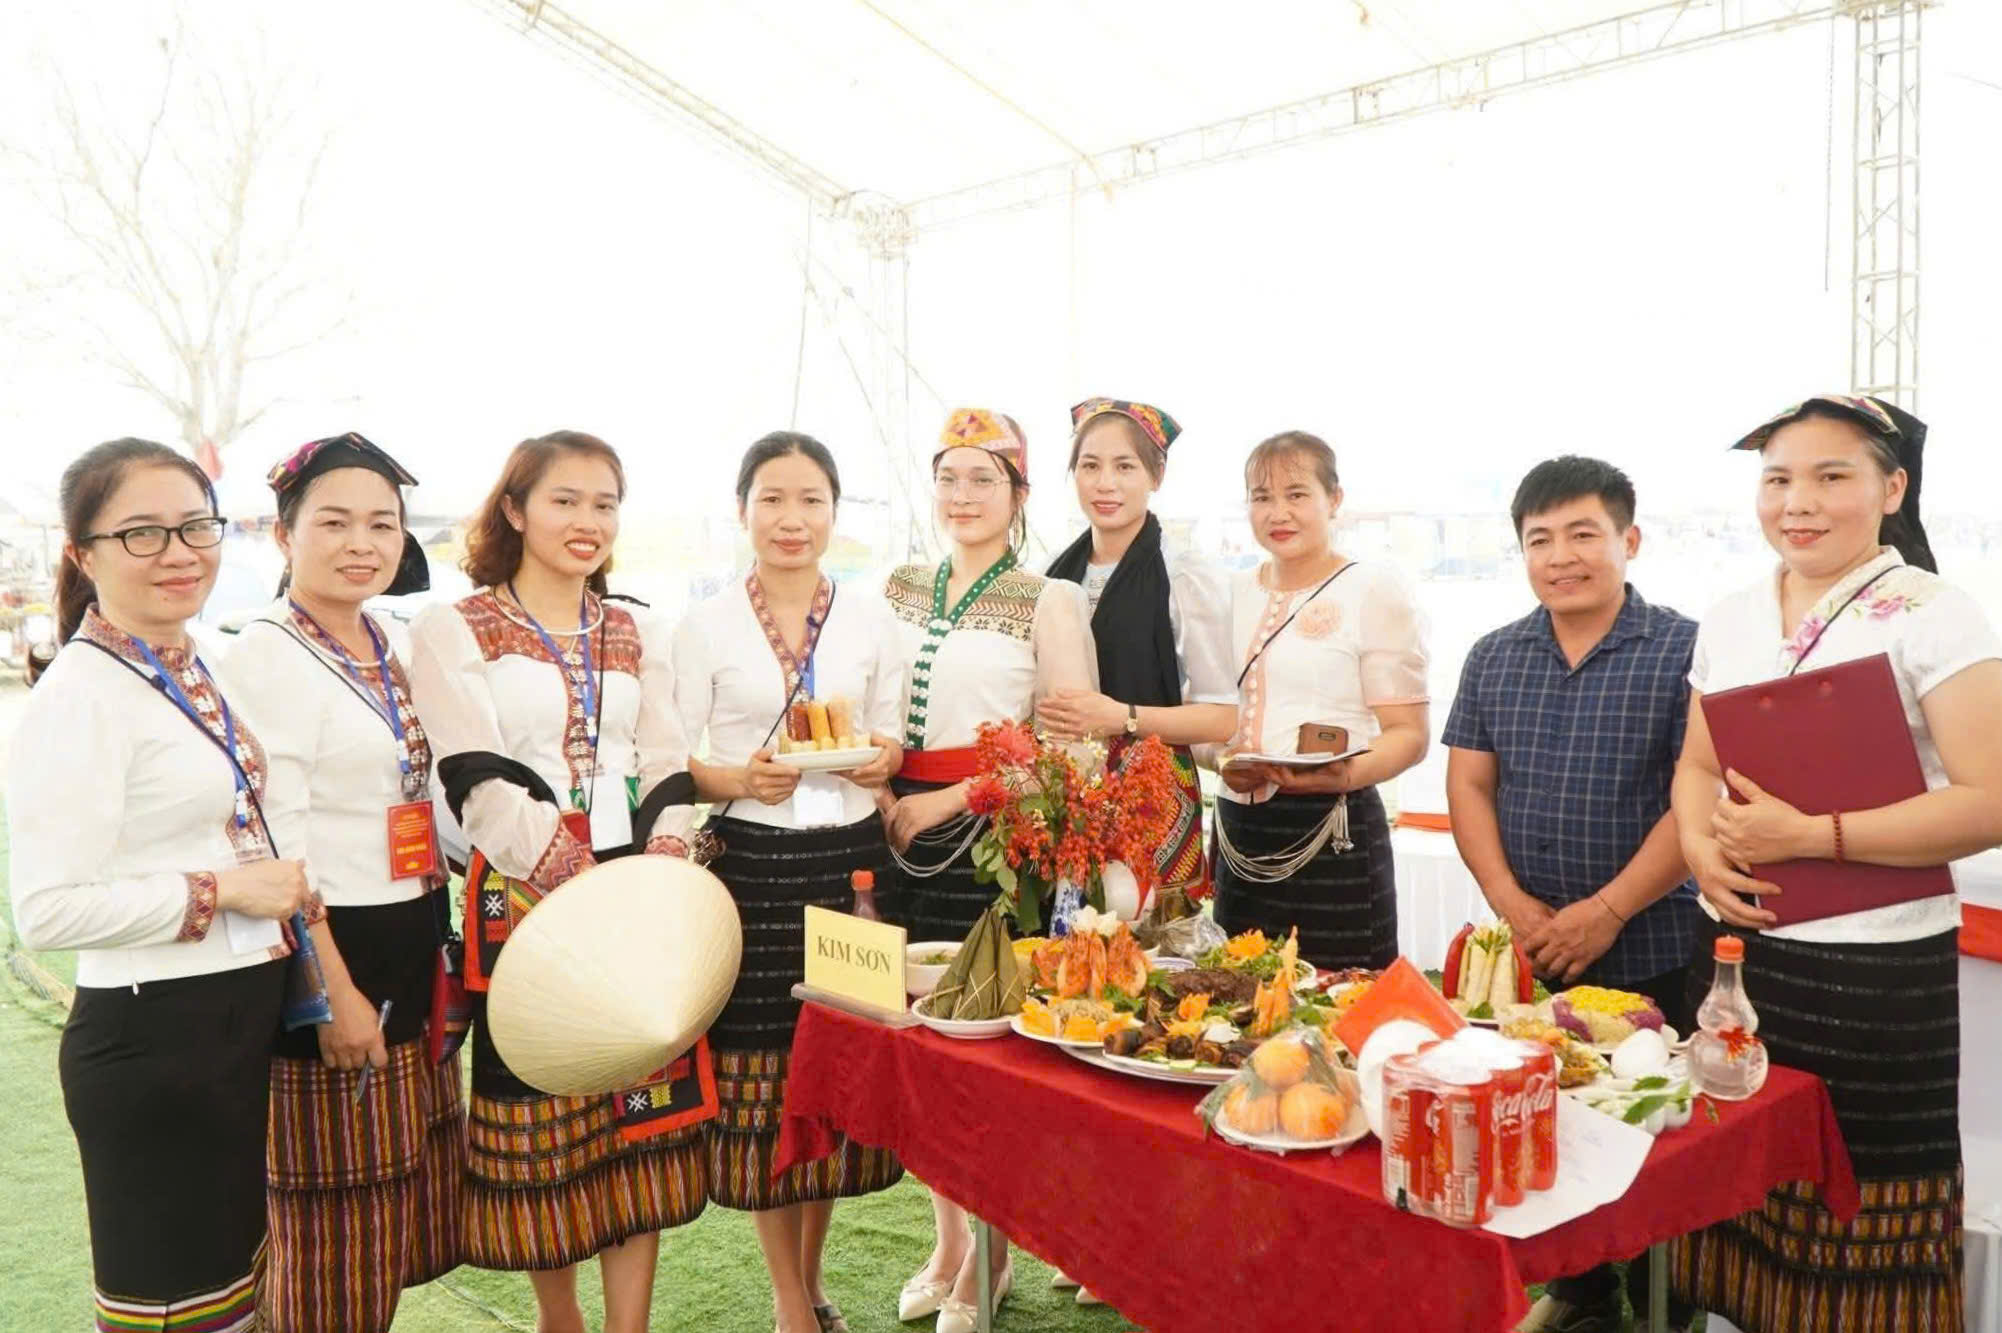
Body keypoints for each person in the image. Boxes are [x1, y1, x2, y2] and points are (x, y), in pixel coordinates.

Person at [1669, 395, 2002, 1333]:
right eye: (1778, 479)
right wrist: (1700, 851)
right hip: (1738, 953)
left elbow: (1990, 798)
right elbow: (1696, 765)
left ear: (1892, 489)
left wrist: (1812, 835)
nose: (1798, 502)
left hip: (1873, 974)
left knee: (1862, 1210)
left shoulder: (1937, 614)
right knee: (1731, 1183)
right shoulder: (1733, 614)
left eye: (1830, 476)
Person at [8, 439, 312, 1333]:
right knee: (178, 1312)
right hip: (153, 1040)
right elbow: (47, 909)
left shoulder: (193, 657)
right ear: (83, 553)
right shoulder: (81, 693)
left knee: (232, 1298)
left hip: (229, 1024)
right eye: (142, 532)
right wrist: (227, 889)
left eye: (195, 526)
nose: (179, 552)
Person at [406, 431, 703, 1333]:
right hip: (528, 894)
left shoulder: (639, 628)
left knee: (639, 1121)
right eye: (564, 500)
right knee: (547, 1123)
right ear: (514, 508)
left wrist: (665, 865)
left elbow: (665, 758)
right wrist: (577, 880)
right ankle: (560, 1318)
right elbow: (474, 775)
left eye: (604, 503)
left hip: (636, 887)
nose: (587, 521)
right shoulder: (456, 626)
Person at [1442, 456, 1699, 1333]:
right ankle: (1582, 1296)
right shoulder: (1494, 654)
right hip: (1533, 949)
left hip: (1655, 945)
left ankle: (1672, 1308)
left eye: (1583, 534)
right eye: (1539, 539)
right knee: (1540, 1130)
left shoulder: (1686, 650)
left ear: (1630, 539)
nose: (1561, 556)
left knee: (1662, 1143)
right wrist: (1512, 904)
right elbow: (1470, 785)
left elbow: (1696, 800)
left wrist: (1609, 909)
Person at [215, 434, 464, 1331]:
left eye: (382, 523)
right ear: (285, 535)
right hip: (332, 948)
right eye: (334, 522)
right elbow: (271, 836)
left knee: (387, 1217)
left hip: (409, 933)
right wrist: (329, 990)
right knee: (333, 1233)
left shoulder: (386, 638)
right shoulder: (267, 652)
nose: (362, 542)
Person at [672, 432, 906, 1333]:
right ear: (743, 510)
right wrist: (739, 777)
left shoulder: (871, 617)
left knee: (834, 1069)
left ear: (835, 512)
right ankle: (786, 1298)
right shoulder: (705, 624)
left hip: (851, 865)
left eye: (811, 499)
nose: (791, 518)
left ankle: (812, 1277)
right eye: (772, 498)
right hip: (754, 867)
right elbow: (677, 758)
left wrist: (879, 759)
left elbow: (890, 739)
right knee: (765, 1078)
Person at [880, 408, 1096, 1333]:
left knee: (984, 1051)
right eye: (949, 477)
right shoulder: (897, 586)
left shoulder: (1050, 598)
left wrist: (947, 799)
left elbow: (1071, 752)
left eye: (984, 479)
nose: (962, 496)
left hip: (989, 844)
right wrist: (881, 789)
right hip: (890, 832)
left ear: (1019, 494)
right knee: (917, 1050)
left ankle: (993, 1252)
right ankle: (947, 1243)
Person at [1208, 430, 1429, 970]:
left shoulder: (1371, 589)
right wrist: (1220, 758)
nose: (1278, 512)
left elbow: (1409, 734)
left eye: (1296, 494)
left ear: (1334, 499)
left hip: (1335, 828)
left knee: (1342, 999)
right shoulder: (1229, 594)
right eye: (1262, 497)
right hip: (1239, 830)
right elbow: (1210, 717)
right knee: (1234, 999)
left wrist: (1345, 775)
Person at [1035, 397, 1237, 916]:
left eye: (1125, 467)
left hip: (1154, 803)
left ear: (1157, 475)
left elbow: (1223, 717)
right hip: (1063, 799)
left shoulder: (1185, 575)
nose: (1105, 484)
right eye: (1090, 466)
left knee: (1152, 950)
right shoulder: (1052, 572)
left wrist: (1121, 717)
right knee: (1065, 945)